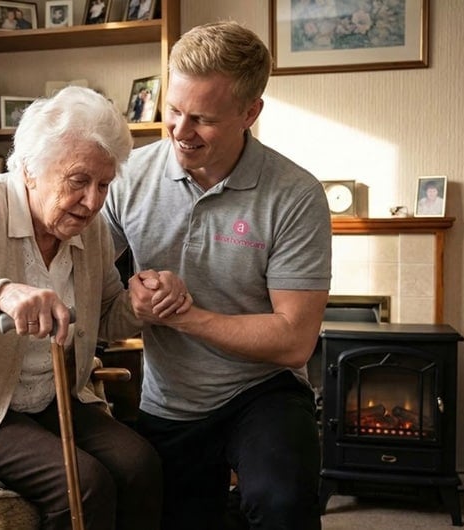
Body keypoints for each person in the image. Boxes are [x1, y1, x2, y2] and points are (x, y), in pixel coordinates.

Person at [0, 86, 189, 530]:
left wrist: (142, 303)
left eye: (104, 184)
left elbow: (102, 320)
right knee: (85, 484)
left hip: (49, 395)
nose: (94, 201)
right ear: (29, 170)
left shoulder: (91, 229)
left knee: (140, 465)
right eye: (78, 180)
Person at [102, 21, 332, 530]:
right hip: (170, 397)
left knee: (283, 502)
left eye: (202, 119)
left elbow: (294, 341)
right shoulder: (126, 181)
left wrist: (184, 316)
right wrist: (133, 304)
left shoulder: (295, 195)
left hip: (264, 390)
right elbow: (94, 298)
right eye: (174, 111)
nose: (180, 132)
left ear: (251, 112)